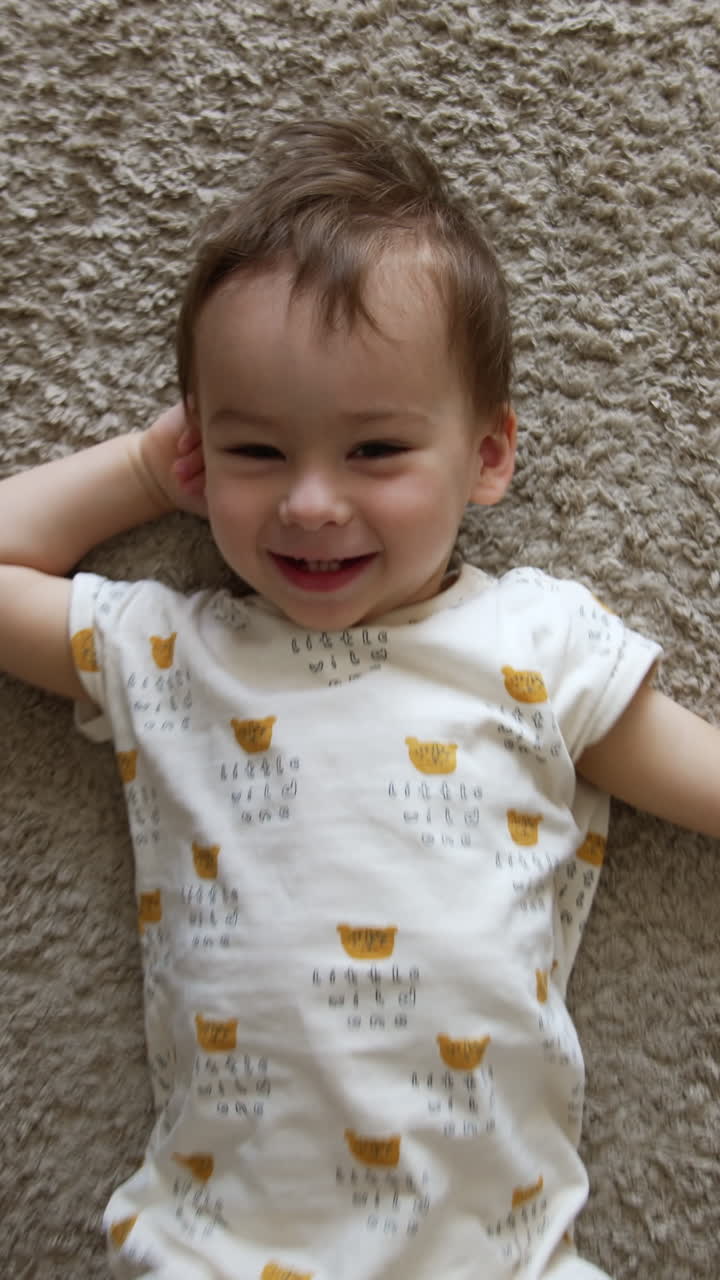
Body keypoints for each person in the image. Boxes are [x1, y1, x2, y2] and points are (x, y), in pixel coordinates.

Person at [0, 118, 717, 1280]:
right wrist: (141, 468)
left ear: (488, 457)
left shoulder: (536, 643)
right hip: (212, 1249)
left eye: (377, 448)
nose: (312, 503)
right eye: (256, 452)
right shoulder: (174, 652)